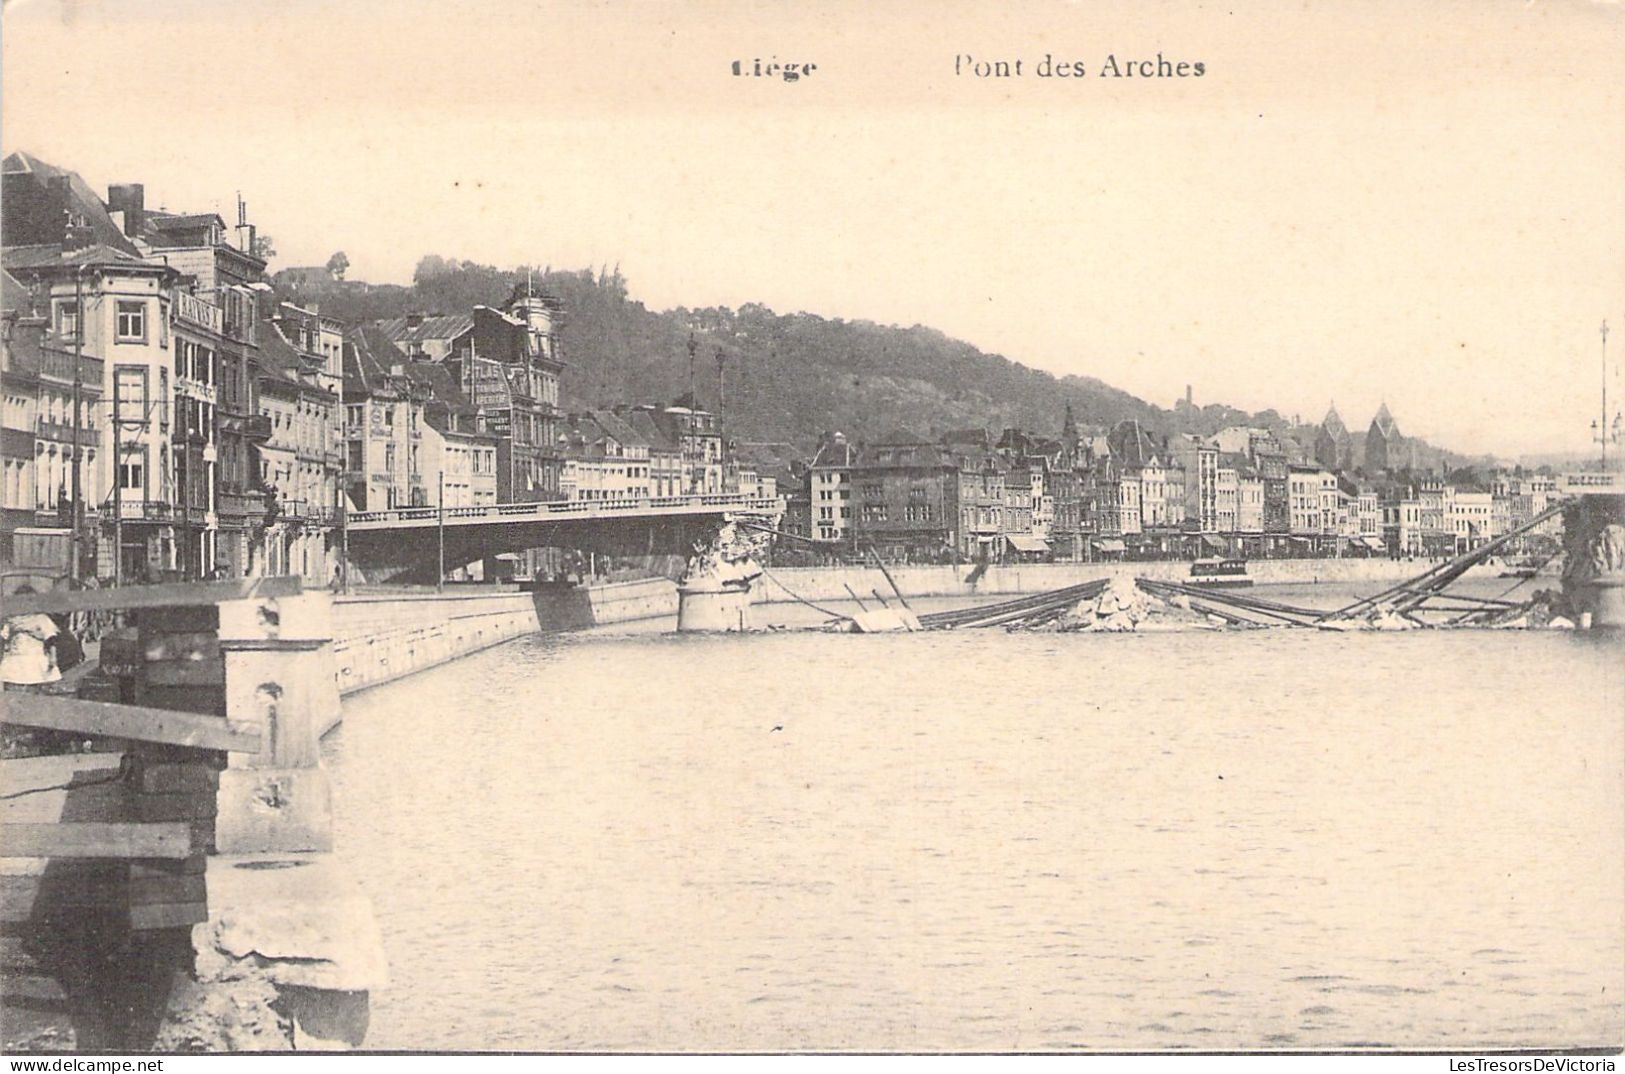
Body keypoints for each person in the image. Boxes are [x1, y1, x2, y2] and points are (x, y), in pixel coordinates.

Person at [1, 586, 64, 686]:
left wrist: (53, 657)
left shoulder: (41, 619)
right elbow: (4, 638)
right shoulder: (12, 620)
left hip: (35, 658)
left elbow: (51, 638)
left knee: (35, 683)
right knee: (15, 684)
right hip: (16, 659)